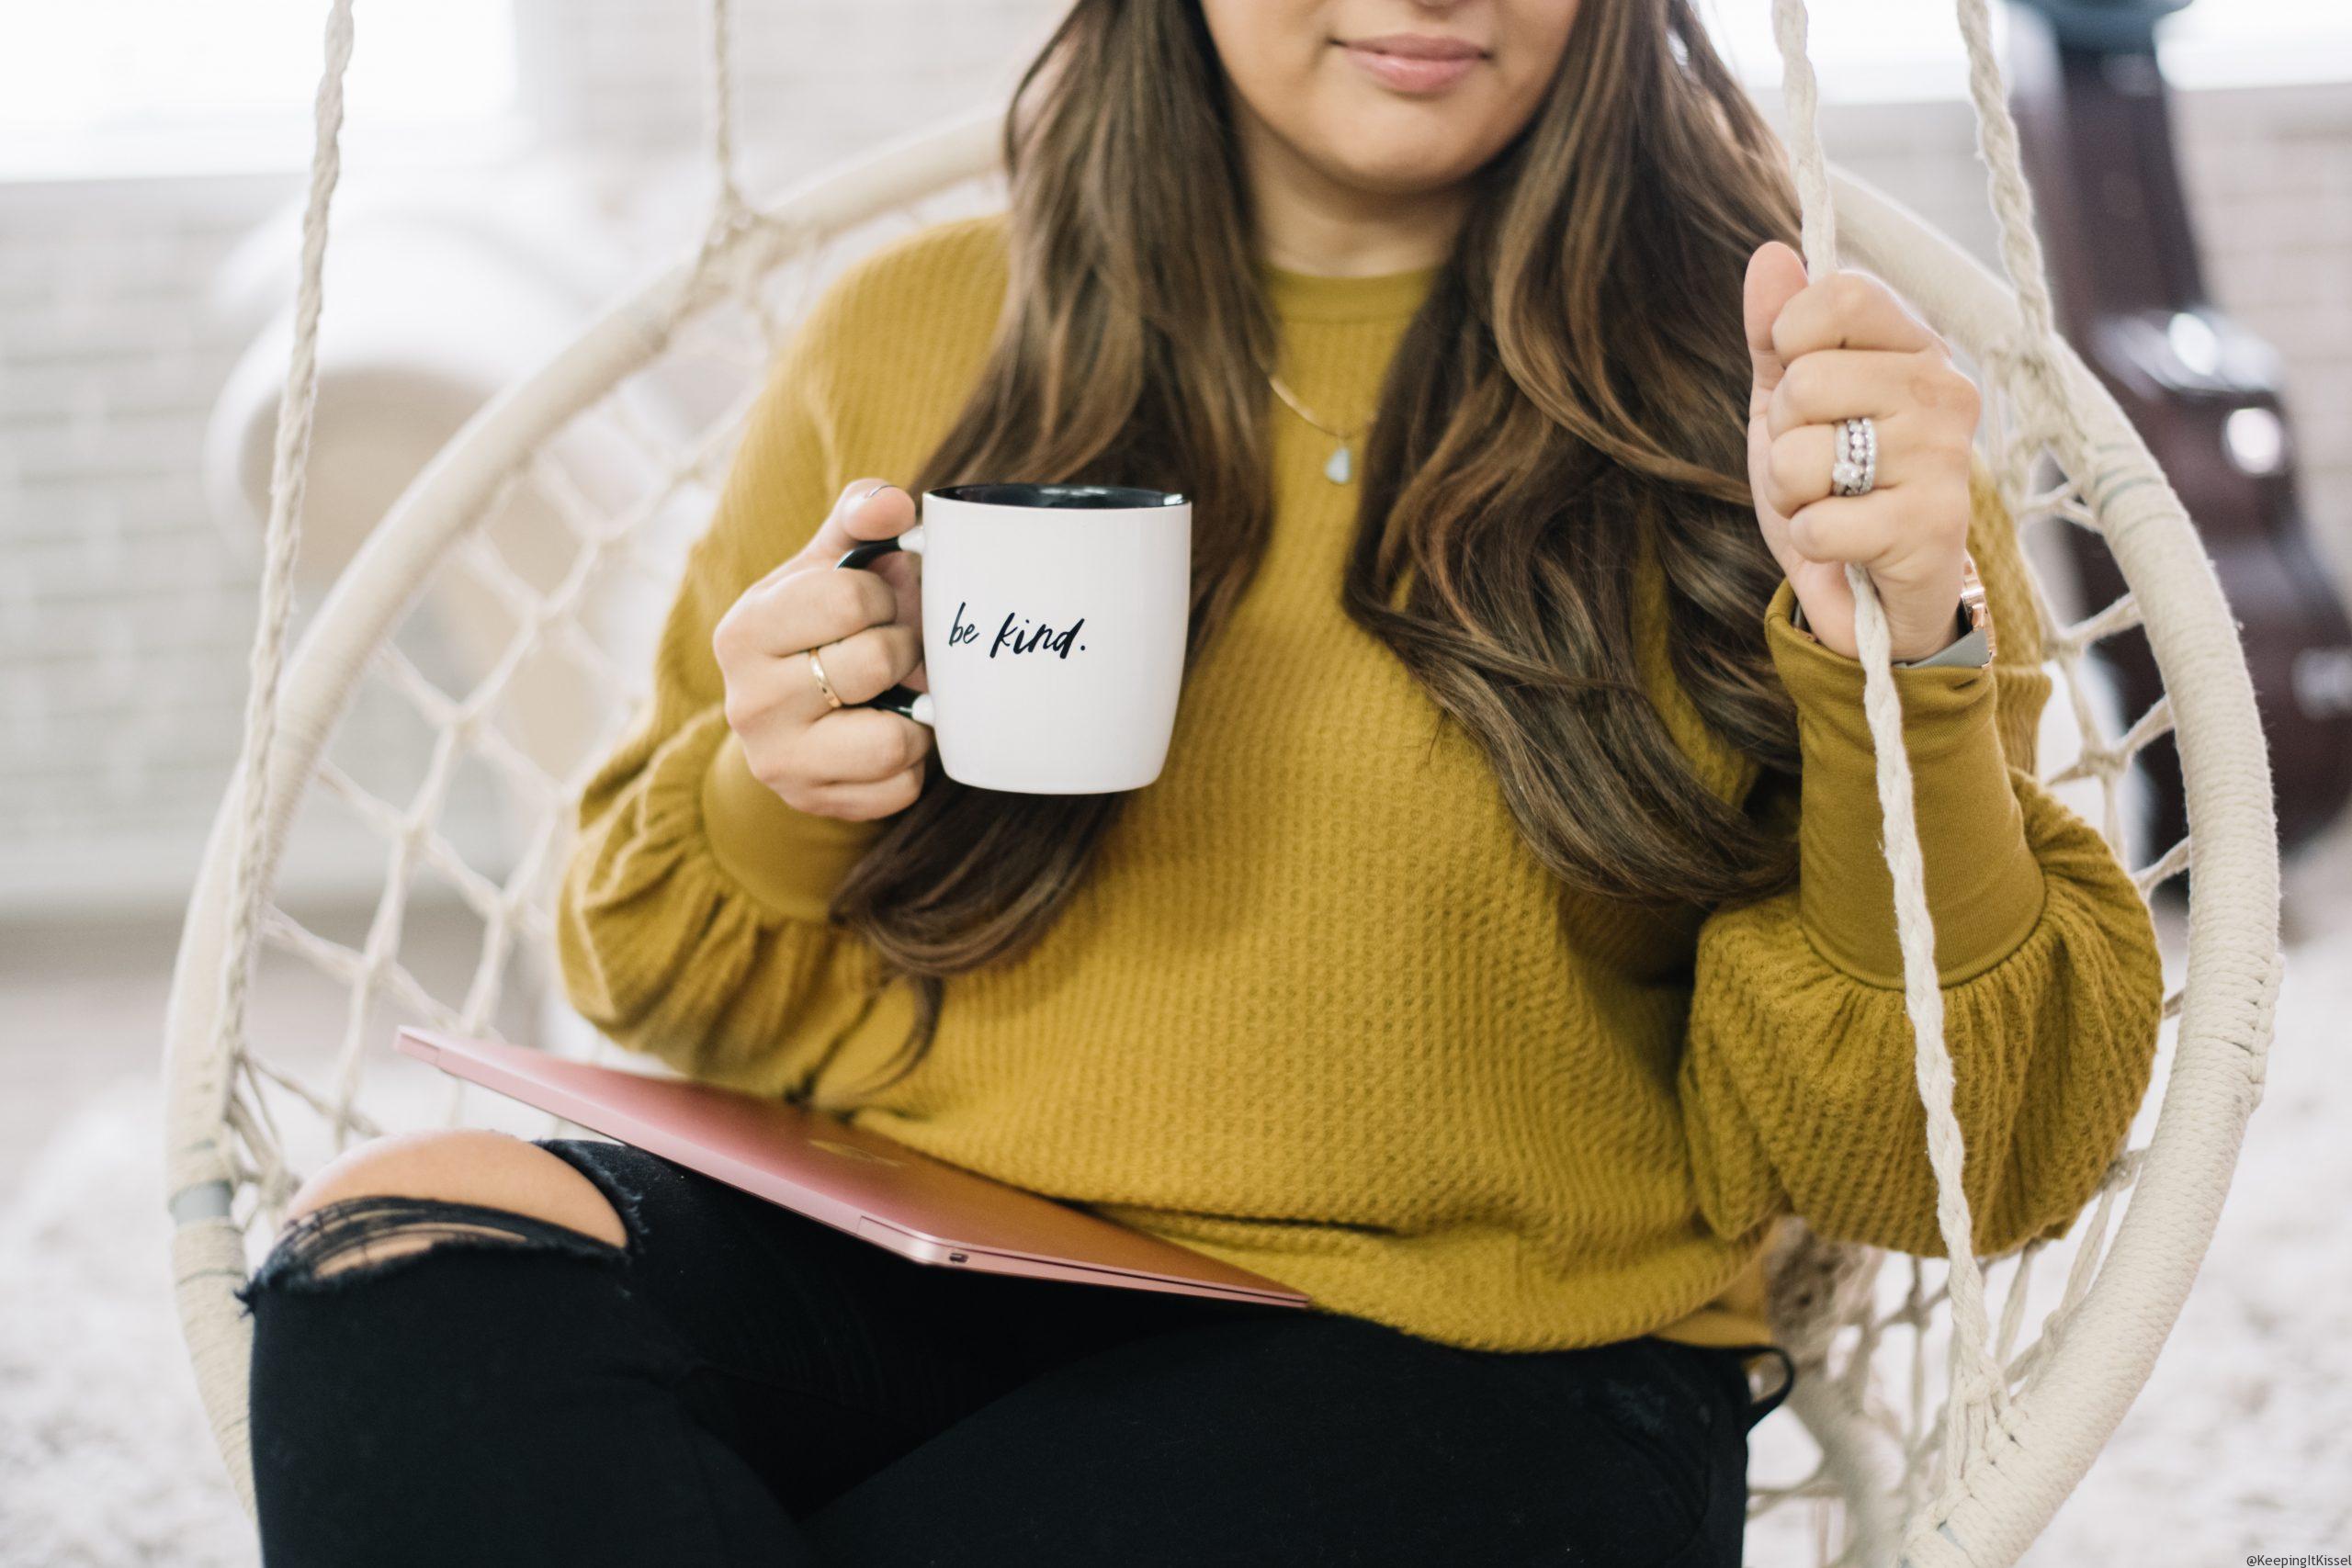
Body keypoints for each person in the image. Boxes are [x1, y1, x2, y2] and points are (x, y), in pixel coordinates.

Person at [240, 2, 2165, 1563]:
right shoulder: (912, 336)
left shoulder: (1786, 411)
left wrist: (1896, 659)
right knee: (400, 1246)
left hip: (1469, 1355)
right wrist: (771, 785)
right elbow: (659, 977)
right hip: (918, 1262)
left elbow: (1954, 1161)